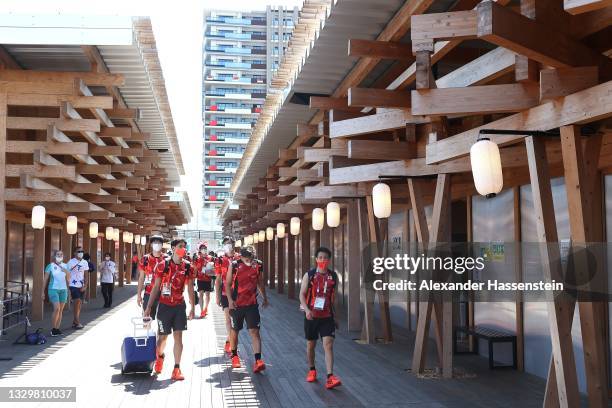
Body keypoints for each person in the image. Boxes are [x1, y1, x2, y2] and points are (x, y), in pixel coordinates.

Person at [145, 238, 195, 381]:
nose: (183, 249)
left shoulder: (187, 267)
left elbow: (190, 287)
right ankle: (160, 356)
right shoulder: (163, 265)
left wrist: (192, 306)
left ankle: (176, 368)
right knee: (162, 338)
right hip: (164, 306)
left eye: (184, 247)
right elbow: (155, 287)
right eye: (180, 246)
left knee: (178, 336)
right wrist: (148, 306)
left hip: (179, 306)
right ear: (173, 248)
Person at [299, 246, 341, 389]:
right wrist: (306, 310)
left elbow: (334, 298)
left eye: (325, 258)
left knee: (328, 344)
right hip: (311, 316)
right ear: (316, 259)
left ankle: (330, 376)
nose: (323, 260)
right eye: (320, 257)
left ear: (329, 260)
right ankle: (312, 369)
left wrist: (336, 317)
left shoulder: (333, 276)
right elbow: (301, 295)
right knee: (311, 345)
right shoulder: (309, 275)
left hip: (327, 316)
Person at [226, 246, 269, 371]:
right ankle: (234, 355)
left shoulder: (258, 265)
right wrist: (229, 300)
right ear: (241, 256)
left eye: (250, 257)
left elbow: (260, 282)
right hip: (236, 304)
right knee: (235, 330)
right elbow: (228, 284)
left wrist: (265, 297)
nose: (248, 260)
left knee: (254, 331)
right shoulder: (234, 265)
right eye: (246, 257)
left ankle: (258, 360)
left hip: (252, 304)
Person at [215, 236, 236, 354]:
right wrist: (217, 296)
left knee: (236, 320)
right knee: (228, 319)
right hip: (224, 292)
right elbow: (218, 279)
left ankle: (229, 340)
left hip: (237, 293)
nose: (228, 245)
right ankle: (233, 343)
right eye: (226, 243)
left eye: (230, 243)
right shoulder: (219, 260)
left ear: (233, 244)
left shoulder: (239, 258)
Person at [137, 235, 166, 320]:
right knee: (147, 318)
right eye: (155, 242)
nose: (157, 244)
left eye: (159, 242)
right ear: (151, 244)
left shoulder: (166, 259)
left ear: (162, 245)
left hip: (164, 294)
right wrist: (139, 295)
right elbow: (141, 278)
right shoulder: (145, 259)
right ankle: (147, 332)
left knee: (162, 321)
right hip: (148, 293)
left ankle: (159, 333)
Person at [43, 250, 71, 336]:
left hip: (63, 290)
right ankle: (53, 328)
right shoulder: (50, 266)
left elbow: (69, 279)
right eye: (58, 254)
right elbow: (45, 279)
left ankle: (57, 329)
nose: (59, 256)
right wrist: (42, 292)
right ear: (54, 256)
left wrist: (66, 271)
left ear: (63, 256)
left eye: (61, 254)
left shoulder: (66, 266)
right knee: (57, 309)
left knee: (61, 310)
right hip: (53, 289)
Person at [67, 246, 89, 329]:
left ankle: (74, 321)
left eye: (81, 251)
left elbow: (86, 275)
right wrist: (67, 285)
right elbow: (67, 273)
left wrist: (85, 285)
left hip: (81, 285)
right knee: (77, 301)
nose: (80, 253)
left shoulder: (85, 262)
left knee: (79, 304)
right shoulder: (71, 262)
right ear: (74, 253)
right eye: (78, 251)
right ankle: (77, 321)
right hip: (73, 285)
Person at [193, 243, 213, 318]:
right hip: (200, 279)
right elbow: (195, 269)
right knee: (201, 294)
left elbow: (213, 269)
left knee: (207, 294)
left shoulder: (210, 258)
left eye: (205, 248)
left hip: (208, 279)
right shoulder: (197, 259)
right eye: (202, 248)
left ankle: (206, 308)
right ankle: (201, 311)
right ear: (200, 250)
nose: (204, 250)